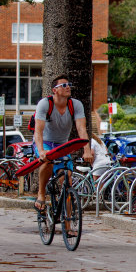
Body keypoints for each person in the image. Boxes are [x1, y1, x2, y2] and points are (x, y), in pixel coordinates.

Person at [33, 75, 93, 212]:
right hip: (45, 142)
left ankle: (69, 225)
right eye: (64, 85)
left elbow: (81, 129)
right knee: (47, 161)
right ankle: (41, 193)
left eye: (69, 84)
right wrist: (41, 151)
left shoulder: (75, 105)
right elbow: (38, 131)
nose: (68, 87)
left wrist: (87, 150)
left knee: (68, 181)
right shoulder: (45, 104)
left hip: (62, 145)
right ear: (54, 90)